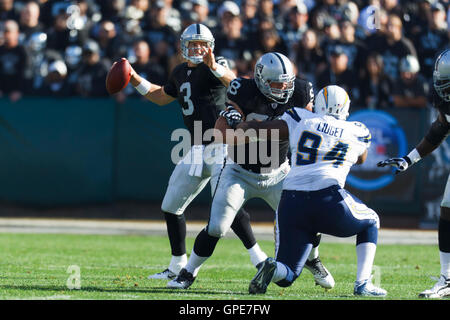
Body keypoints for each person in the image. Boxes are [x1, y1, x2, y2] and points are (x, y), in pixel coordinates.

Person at [167, 52, 335, 290]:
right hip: (239, 171)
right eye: (277, 83)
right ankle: (188, 271)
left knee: (308, 220)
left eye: (287, 82)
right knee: (217, 227)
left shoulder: (300, 90)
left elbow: (312, 123)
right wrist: (240, 130)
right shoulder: (241, 89)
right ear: (261, 79)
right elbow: (220, 132)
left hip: (278, 172)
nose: (283, 89)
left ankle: (313, 260)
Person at [125, 23, 268, 281]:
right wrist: (134, 78)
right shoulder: (179, 72)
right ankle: (176, 264)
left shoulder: (214, 65)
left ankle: (259, 259)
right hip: (196, 147)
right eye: (193, 44)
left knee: (227, 203)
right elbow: (160, 96)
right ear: (184, 46)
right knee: (171, 205)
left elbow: (232, 79)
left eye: (203, 44)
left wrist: (213, 65)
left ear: (210, 46)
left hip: (222, 145)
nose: (198, 48)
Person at [243, 85, 386, 297]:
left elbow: (265, 129)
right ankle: (363, 283)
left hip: (291, 201)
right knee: (371, 221)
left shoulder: (300, 118)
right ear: (345, 108)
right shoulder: (357, 130)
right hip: (328, 199)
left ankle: (273, 269)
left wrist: (240, 124)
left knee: (288, 274)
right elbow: (362, 158)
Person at [377, 49, 450, 298]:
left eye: (446, 83)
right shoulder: (445, 100)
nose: (441, 88)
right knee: (447, 210)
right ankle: (448, 277)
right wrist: (410, 159)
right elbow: (439, 129)